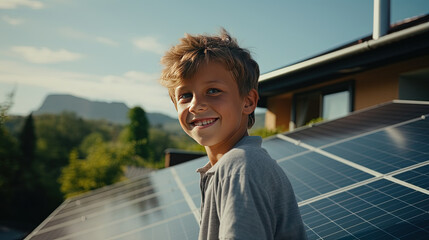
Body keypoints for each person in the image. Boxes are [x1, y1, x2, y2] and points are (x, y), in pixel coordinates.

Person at [160, 29, 306, 240]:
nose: (196, 105)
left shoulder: (238, 168)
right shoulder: (233, 166)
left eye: (213, 91)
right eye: (185, 95)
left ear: (248, 101)